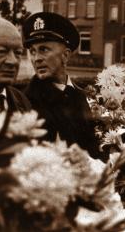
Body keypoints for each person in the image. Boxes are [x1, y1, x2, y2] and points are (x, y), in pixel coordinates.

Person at [22, 12, 100, 158]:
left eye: (44, 49)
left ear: (65, 55)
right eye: (32, 52)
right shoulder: (27, 101)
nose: (36, 58)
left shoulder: (78, 94)